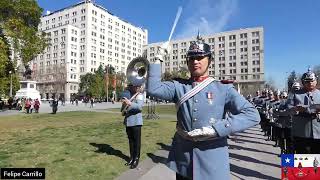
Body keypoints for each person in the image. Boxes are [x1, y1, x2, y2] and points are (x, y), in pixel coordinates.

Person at [147, 35, 260, 180]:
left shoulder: (223, 89)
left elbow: (252, 114)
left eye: (200, 58)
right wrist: (158, 58)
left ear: (210, 61)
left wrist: (217, 129)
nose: (195, 61)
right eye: (192, 58)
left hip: (212, 163)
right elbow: (153, 88)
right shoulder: (179, 86)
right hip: (184, 161)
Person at [286, 68, 320, 154]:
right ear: (303, 82)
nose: (310, 83)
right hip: (301, 132)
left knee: (317, 160)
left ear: (316, 81)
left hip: (318, 131)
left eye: (312, 81)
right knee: (303, 160)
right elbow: (288, 109)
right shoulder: (294, 94)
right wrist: (296, 109)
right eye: (307, 81)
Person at [120, 82, 144, 169]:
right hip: (128, 122)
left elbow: (140, 107)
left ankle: (136, 159)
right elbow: (122, 111)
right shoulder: (128, 96)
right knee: (130, 141)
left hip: (136, 122)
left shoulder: (139, 95)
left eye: (131, 86)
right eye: (129, 86)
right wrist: (124, 104)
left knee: (136, 142)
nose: (129, 88)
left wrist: (129, 103)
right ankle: (131, 158)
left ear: (136, 87)